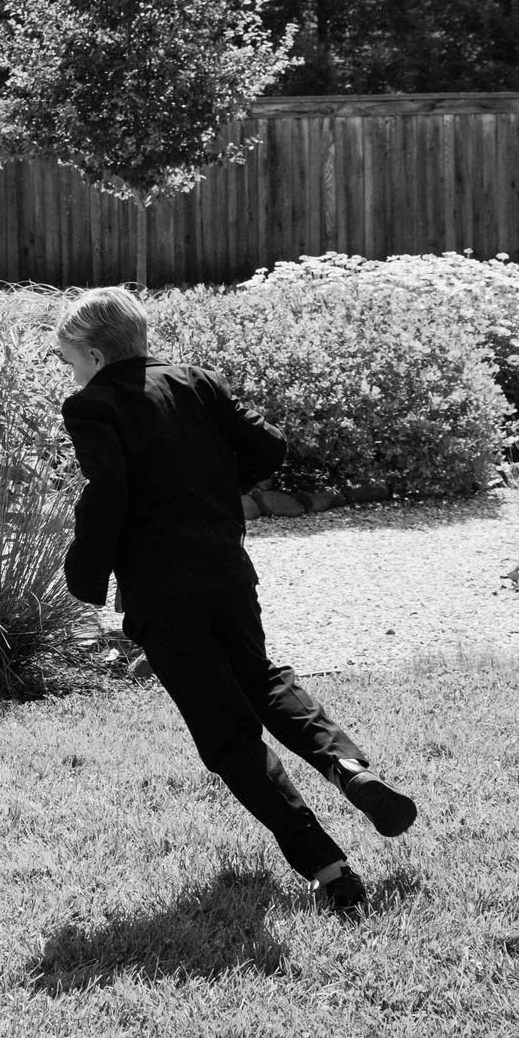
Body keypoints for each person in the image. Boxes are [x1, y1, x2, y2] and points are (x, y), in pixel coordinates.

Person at [52, 287, 419, 917]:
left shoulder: (92, 405)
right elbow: (269, 446)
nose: (70, 374)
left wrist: (85, 577)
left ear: (93, 355)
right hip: (225, 568)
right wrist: (215, 489)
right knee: (262, 678)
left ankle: (329, 869)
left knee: (225, 732)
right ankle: (350, 769)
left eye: (68, 361)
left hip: (161, 588)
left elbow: (107, 493)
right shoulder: (196, 381)